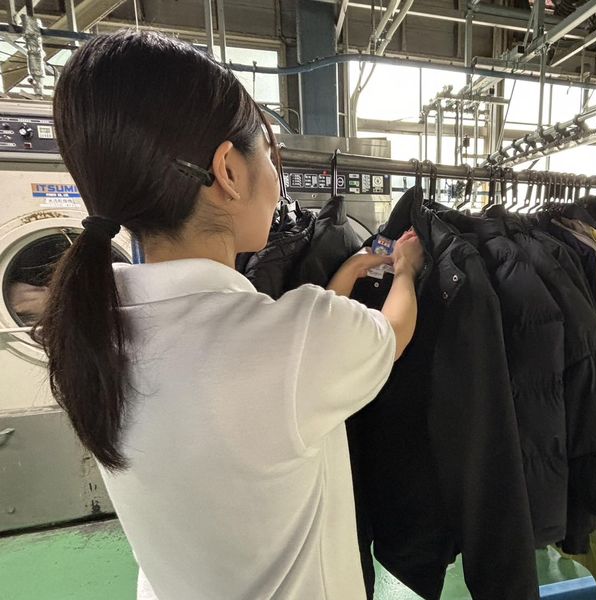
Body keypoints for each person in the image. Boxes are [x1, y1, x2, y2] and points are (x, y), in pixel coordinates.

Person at [34, 30, 424, 600]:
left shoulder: (90, 324)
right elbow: (393, 330)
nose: (275, 173)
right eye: (268, 152)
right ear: (228, 171)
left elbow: (295, 354)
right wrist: (406, 270)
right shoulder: (292, 343)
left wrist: (345, 275)